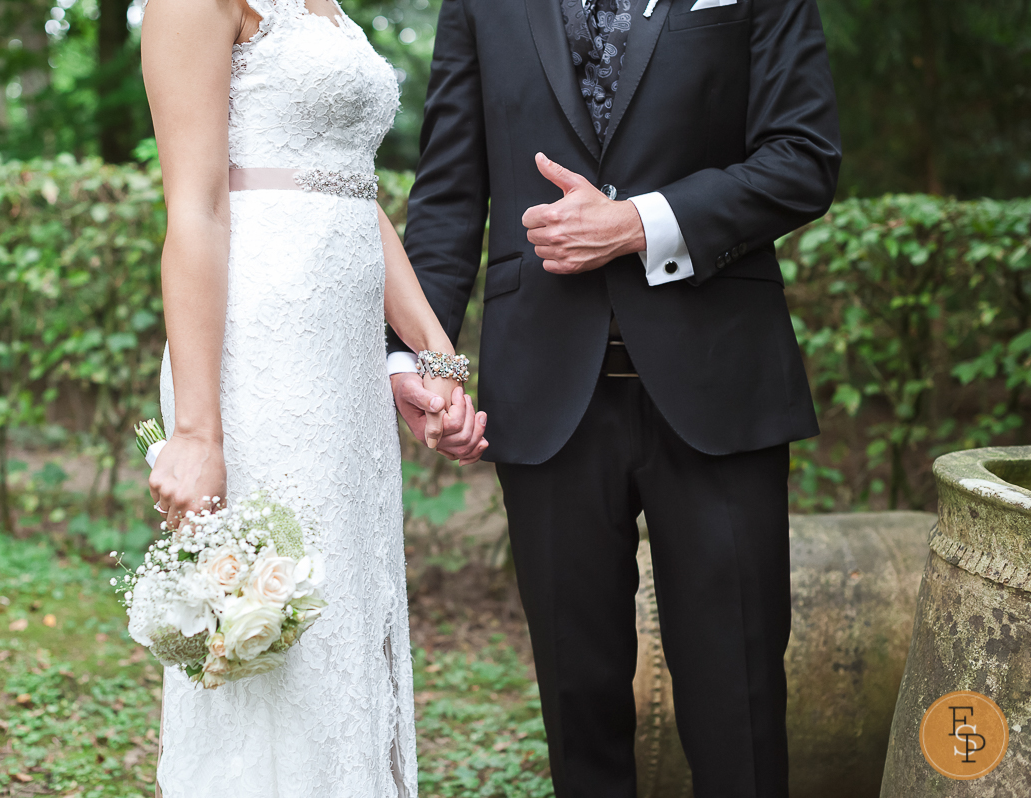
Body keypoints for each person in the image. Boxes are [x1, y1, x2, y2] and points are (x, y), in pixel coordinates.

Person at [387, 0, 841, 795]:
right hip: (543, 395)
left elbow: (803, 157)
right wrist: (425, 359)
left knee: (739, 704)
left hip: (719, 392)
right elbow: (451, 190)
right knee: (578, 707)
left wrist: (639, 223)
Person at [139, 0, 486, 795]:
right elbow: (193, 208)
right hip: (260, 343)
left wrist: (434, 354)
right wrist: (196, 430)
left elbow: (351, 193)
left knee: (344, 615)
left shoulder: (323, 5)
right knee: (274, 613)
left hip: (342, 364)